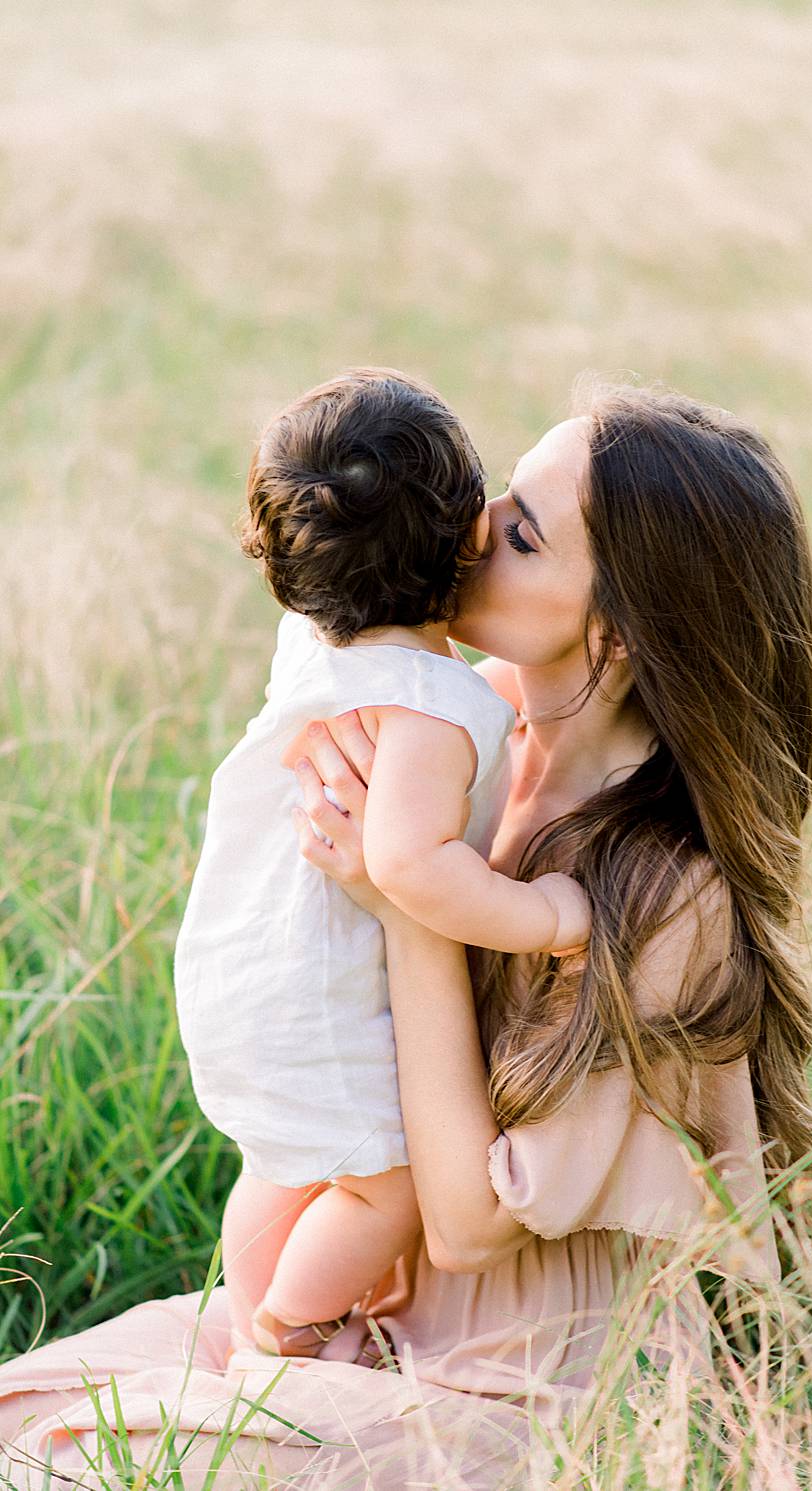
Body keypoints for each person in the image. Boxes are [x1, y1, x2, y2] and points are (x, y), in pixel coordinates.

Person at [0, 385, 812, 1488]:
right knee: (33, 1411)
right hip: (370, 1307)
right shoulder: (458, 715)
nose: (474, 528)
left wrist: (408, 912)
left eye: (522, 534)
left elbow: (474, 1230)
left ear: (620, 630)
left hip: (512, 1385)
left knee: (78, 1465)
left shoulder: (663, 889)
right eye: (496, 494)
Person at [175, 368, 589, 1362]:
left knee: (282, 1163)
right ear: (465, 539)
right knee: (384, 1187)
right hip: (316, 983)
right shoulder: (433, 710)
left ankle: (245, 1313)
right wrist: (547, 919)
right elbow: (408, 862)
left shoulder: (315, 637)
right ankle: (283, 1332)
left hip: (244, 954)